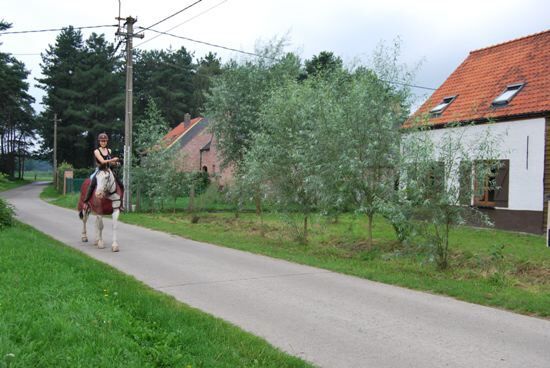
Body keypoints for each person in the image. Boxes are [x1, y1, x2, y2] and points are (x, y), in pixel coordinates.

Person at [83, 133, 120, 206]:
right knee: (92, 184)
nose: (103, 142)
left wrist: (115, 163)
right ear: (99, 142)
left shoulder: (109, 150)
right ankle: (86, 202)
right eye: (102, 141)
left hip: (108, 170)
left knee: (119, 182)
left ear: (107, 142)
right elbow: (102, 161)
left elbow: (109, 161)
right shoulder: (96, 151)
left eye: (105, 141)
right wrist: (112, 159)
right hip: (100, 171)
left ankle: (120, 201)